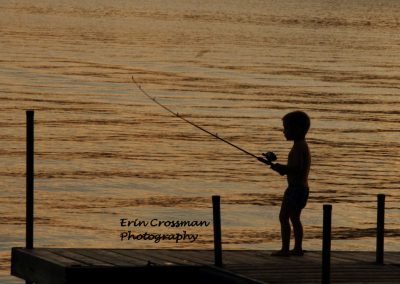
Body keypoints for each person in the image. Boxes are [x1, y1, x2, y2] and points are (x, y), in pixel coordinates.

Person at [260, 111, 311, 257]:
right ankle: (297, 248)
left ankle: (285, 250)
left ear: (298, 129)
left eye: (287, 128)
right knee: (294, 218)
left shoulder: (299, 147)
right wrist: (280, 168)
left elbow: (296, 169)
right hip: (302, 188)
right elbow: (294, 170)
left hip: (295, 189)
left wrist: (281, 168)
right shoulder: (301, 145)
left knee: (284, 217)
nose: (284, 131)